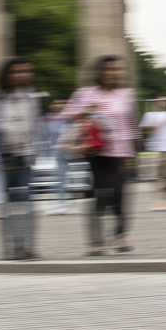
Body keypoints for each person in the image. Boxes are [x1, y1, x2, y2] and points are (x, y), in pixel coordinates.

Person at [62, 56, 137, 255]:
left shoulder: (125, 95)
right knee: (99, 196)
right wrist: (87, 111)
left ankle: (120, 235)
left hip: (121, 153)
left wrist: (133, 153)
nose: (113, 73)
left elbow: (130, 126)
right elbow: (66, 116)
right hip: (98, 152)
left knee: (120, 195)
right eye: (108, 69)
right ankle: (96, 241)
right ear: (98, 72)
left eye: (117, 69)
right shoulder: (86, 94)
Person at [0, 57, 43, 260]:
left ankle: (26, 245)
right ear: (6, 76)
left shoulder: (32, 99)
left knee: (25, 202)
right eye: (15, 72)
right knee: (7, 204)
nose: (20, 75)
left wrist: (34, 153)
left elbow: (36, 128)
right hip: (4, 157)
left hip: (25, 157)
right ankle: (8, 246)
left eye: (24, 71)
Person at [42, 99, 72, 215]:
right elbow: (43, 136)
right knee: (51, 180)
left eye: (61, 103)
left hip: (63, 154)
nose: (59, 105)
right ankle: (52, 203)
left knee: (61, 179)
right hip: (50, 153)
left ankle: (61, 203)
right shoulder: (46, 119)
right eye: (56, 103)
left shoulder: (67, 119)